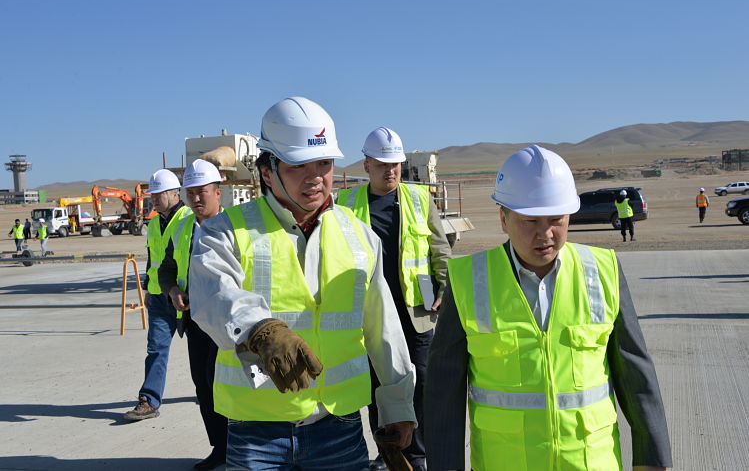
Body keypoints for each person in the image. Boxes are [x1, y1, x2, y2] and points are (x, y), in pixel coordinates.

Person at [189, 96, 416, 471]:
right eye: (298, 165)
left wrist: (398, 406)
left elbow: (383, 329)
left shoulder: (360, 236)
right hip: (256, 430)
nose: (316, 177)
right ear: (267, 171)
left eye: (324, 163)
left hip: (338, 426)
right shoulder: (225, 231)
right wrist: (260, 328)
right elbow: (213, 295)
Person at [424, 145, 672, 471]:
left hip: (590, 462)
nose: (545, 234)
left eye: (556, 220)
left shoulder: (602, 270)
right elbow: (444, 388)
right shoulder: (468, 279)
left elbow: (635, 372)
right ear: (503, 219)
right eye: (530, 221)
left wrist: (653, 457)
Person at [337, 127, 451, 471]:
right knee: (378, 386)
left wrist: (444, 289)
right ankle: (388, 453)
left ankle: (417, 455)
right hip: (370, 312)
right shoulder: (345, 203)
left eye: (395, 164)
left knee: (420, 385)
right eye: (383, 164)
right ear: (367, 165)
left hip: (415, 309)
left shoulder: (419, 198)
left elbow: (439, 248)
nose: (391, 171)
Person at [160, 159, 228, 470]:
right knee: (204, 385)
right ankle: (220, 448)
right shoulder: (183, 228)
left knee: (229, 385)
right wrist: (173, 290)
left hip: (230, 324)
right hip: (196, 323)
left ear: (218, 192)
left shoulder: (237, 226)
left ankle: (243, 446)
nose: (196, 199)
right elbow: (167, 268)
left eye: (203, 192)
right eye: (191, 193)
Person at [124, 169, 191, 422]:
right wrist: (147, 289)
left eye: (158, 194)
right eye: (152, 194)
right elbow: (153, 258)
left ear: (174, 193)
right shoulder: (153, 222)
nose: (153, 199)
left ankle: (212, 393)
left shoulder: (188, 218)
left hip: (187, 299)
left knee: (206, 352)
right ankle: (149, 400)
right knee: (156, 349)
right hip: (160, 298)